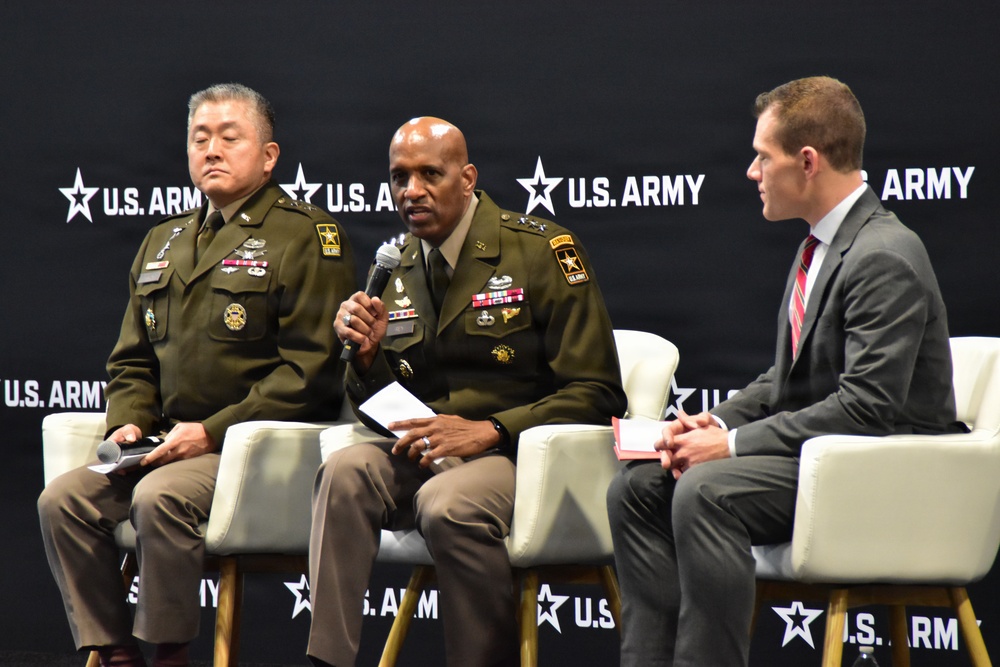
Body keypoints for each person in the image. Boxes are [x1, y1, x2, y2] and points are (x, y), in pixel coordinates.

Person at [607, 76, 964, 666]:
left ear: (806, 161)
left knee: (707, 491)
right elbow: (785, 381)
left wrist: (732, 445)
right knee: (639, 488)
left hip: (886, 472)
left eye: (761, 157)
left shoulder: (882, 256)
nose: (751, 172)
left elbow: (867, 407)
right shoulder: (819, 248)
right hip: (825, 457)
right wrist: (708, 424)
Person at [38, 83, 356, 667]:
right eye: (199, 138)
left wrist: (209, 432)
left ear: (268, 156)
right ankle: (113, 650)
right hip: (165, 443)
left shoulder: (305, 236)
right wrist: (131, 424)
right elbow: (131, 360)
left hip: (250, 448)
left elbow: (311, 372)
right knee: (63, 499)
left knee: (160, 498)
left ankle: (170, 651)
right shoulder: (163, 241)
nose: (211, 149)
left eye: (229, 138)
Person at [307, 117, 627, 667]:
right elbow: (387, 408)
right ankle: (327, 661)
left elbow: (597, 391)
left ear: (467, 177)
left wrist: (492, 429)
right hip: (431, 451)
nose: (412, 191)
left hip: (521, 455)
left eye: (431, 173)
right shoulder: (398, 265)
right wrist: (366, 360)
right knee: (344, 471)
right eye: (399, 177)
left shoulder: (541, 251)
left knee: (447, 503)